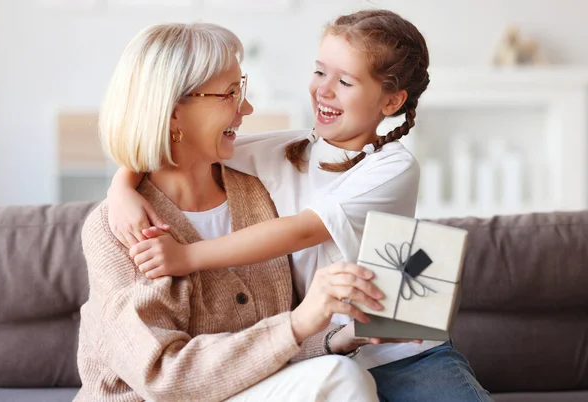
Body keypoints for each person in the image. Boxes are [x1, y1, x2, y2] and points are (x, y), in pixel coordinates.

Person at [107, 10, 493, 402]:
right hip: (321, 352)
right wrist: (121, 186)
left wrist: (186, 257)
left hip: (402, 353)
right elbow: (185, 143)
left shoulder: (392, 167)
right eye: (320, 72)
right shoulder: (285, 151)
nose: (324, 90)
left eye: (344, 81)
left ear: (391, 101)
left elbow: (302, 230)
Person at [75, 21, 388, 402]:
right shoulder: (117, 230)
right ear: (173, 113)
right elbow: (164, 377)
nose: (248, 108)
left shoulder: (259, 193)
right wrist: (298, 322)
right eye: (230, 94)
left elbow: (262, 354)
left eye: (242, 89)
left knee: (344, 371)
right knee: (342, 380)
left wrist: (339, 337)